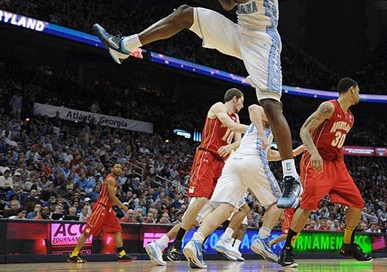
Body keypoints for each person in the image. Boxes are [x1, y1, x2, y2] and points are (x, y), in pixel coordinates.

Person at [93, 0, 300, 209]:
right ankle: (125, 46)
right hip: (240, 32)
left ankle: (291, 177)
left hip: (262, 40)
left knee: (270, 107)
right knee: (185, 13)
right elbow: (228, 3)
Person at [182, 105, 305, 269]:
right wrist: (262, 134)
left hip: (234, 163)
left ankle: (196, 241)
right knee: (278, 202)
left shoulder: (270, 127)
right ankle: (262, 239)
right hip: (252, 160)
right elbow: (253, 107)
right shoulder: (266, 112)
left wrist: (294, 153)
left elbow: (269, 154)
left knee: (225, 208)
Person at [145, 88, 249, 265]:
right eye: (242, 101)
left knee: (231, 208)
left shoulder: (237, 118)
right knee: (200, 203)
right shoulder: (218, 107)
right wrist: (256, 128)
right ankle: (173, 244)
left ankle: (186, 244)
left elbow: (238, 141)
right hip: (207, 156)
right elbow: (229, 125)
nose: (243, 105)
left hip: (222, 165)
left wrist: (231, 147)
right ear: (235, 98)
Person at [279, 78, 373, 268]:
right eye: (358, 90)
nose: (359, 95)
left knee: (357, 203)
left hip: (336, 163)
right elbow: (305, 130)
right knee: (307, 205)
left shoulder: (350, 117)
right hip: (316, 160)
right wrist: (313, 153)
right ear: (352, 90)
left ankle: (347, 245)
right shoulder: (328, 107)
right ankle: (287, 249)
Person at [67, 163, 134, 263]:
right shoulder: (111, 179)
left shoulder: (114, 180)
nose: (119, 169)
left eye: (121, 168)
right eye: (117, 167)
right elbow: (112, 197)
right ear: (112, 169)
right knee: (87, 232)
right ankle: (74, 254)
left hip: (108, 209)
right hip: (101, 208)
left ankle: (122, 254)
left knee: (117, 230)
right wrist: (125, 208)